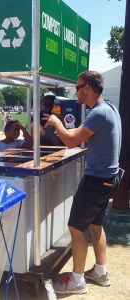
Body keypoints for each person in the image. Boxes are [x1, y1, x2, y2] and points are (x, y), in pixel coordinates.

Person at [43, 71, 121, 294]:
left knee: (76, 228)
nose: (75, 92)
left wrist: (57, 123)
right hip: (109, 179)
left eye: (77, 88)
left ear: (87, 88)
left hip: (96, 181)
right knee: (96, 226)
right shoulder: (110, 109)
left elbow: (70, 141)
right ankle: (100, 272)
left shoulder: (98, 113)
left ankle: (77, 281)